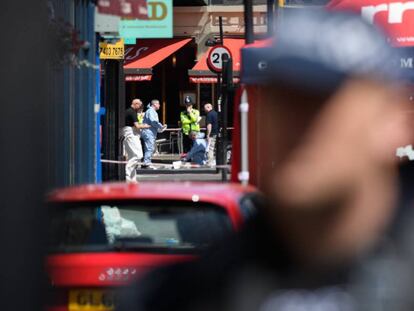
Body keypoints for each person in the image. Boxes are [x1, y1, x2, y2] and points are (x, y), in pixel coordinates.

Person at [120, 10, 414, 311]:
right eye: (278, 100)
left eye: (316, 103)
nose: (291, 124)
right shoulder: (188, 291)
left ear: (394, 122)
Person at [123, 99, 150, 182]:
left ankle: (132, 179)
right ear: (135, 104)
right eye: (140, 105)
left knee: (132, 156)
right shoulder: (132, 112)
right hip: (131, 135)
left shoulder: (129, 111)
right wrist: (146, 126)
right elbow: (137, 126)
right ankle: (127, 174)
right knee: (138, 155)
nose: (140, 107)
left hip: (129, 134)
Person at [141, 99, 166, 169]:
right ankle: (147, 162)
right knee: (149, 148)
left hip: (149, 132)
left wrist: (160, 128)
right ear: (154, 104)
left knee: (149, 148)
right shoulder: (151, 111)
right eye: (158, 104)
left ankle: (146, 162)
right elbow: (153, 121)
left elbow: (153, 123)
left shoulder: (151, 111)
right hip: (148, 132)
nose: (159, 105)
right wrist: (161, 126)